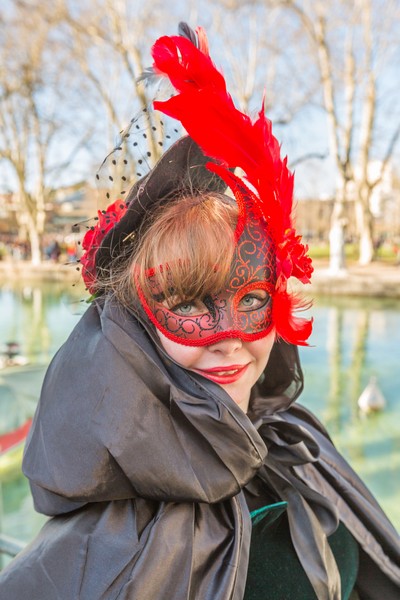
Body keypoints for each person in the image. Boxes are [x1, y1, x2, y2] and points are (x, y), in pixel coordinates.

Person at [0, 23, 399, 600]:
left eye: (253, 299)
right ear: (134, 324)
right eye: (188, 303)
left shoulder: (296, 446)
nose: (230, 339)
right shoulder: (99, 548)